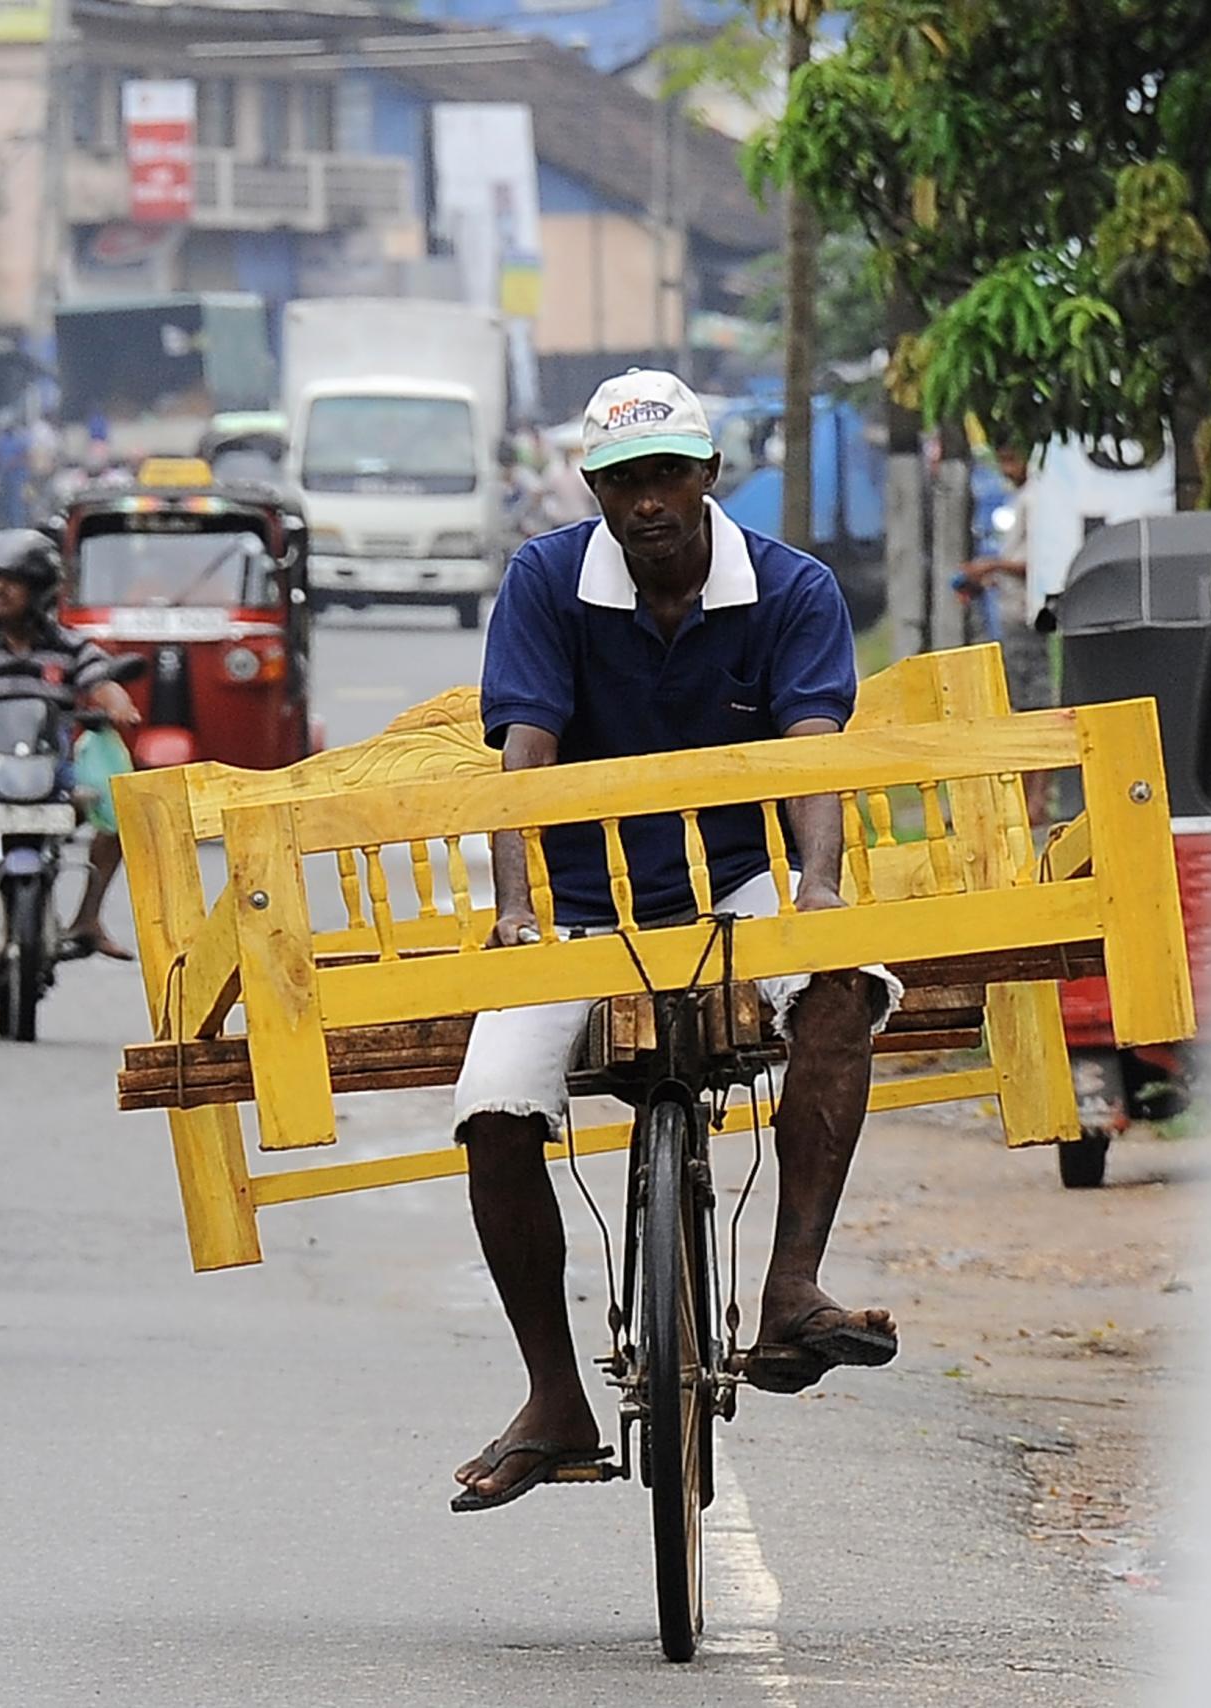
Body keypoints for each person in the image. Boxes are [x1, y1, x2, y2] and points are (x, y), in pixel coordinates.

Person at [450, 369, 903, 1514]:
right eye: (620, 482)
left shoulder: (791, 587)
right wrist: (515, 915)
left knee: (841, 989)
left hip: (737, 890)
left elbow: (812, 757)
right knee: (494, 1112)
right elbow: (526, 761)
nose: (645, 502)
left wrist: (815, 887)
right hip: (583, 902)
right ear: (594, 488)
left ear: (707, 475)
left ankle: (790, 1286)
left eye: (665, 476)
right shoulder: (546, 580)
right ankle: (553, 1399)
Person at [0, 528, 142, 967]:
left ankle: (88, 919)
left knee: (116, 819)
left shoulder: (69, 646)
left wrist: (118, 706)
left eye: (12, 580)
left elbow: (101, 683)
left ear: (39, 590)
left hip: (52, 772)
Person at [957, 446, 1054, 820]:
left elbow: (1040, 561)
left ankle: (1037, 801)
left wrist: (993, 565)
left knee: (1034, 710)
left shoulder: (1038, 501)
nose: (1006, 469)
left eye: (1012, 460)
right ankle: (1027, 799)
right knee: (1019, 707)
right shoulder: (1020, 500)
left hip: (1027, 616)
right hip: (1011, 614)